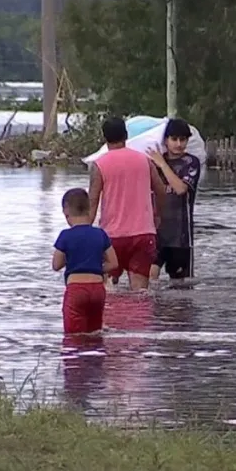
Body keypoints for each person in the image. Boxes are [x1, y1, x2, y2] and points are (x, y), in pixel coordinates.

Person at [88, 116, 166, 291]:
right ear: (126, 135)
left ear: (104, 137)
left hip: (111, 237)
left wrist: (84, 233)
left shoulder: (99, 165)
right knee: (140, 294)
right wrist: (157, 214)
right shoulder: (145, 161)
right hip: (143, 234)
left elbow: (92, 202)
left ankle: (114, 318)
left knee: (108, 292)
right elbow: (161, 191)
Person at [53, 188, 119, 334]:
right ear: (89, 210)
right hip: (97, 290)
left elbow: (56, 265)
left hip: (76, 290)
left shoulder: (65, 235)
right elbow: (114, 263)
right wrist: (94, 266)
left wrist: (72, 259)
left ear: (66, 212)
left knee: (74, 338)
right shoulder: (100, 234)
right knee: (95, 335)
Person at [147, 118, 203, 287]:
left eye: (183, 140)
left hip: (181, 236)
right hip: (155, 231)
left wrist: (163, 164)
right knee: (149, 279)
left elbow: (180, 189)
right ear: (166, 140)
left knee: (180, 289)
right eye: (174, 139)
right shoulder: (153, 163)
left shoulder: (191, 162)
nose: (179, 144)